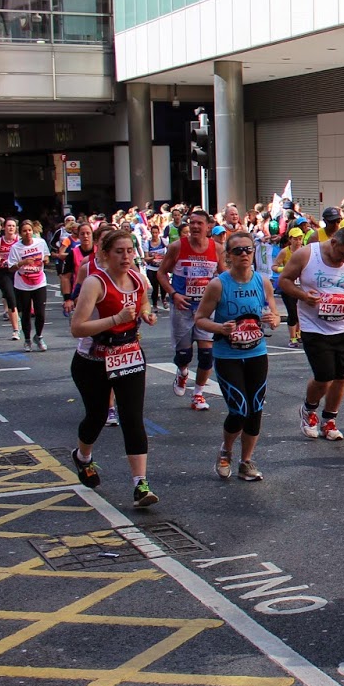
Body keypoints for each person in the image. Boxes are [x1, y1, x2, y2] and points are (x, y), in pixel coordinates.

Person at [68, 227, 159, 509]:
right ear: (105, 255)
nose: (126, 257)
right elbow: (77, 327)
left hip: (129, 354)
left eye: (130, 251)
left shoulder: (138, 279)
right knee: (96, 417)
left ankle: (140, 484)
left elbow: (143, 299)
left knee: (132, 417)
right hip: (93, 359)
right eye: (119, 252)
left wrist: (146, 313)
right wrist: (116, 318)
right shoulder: (96, 283)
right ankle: (83, 457)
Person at [195, 230, 279, 481]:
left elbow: (274, 314)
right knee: (239, 410)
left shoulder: (262, 282)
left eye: (248, 249)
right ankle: (226, 451)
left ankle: (247, 460)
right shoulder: (219, 284)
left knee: (256, 409)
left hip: (256, 352)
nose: (244, 254)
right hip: (227, 355)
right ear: (228, 256)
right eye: (238, 250)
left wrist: (273, 319)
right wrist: (220, 328)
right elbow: (199, 319)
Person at [280, 226, 344, 440]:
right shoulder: (308, 254)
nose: (343, 261)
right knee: (324, 377)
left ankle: (329, 420)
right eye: (341, 255)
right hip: (313, 327)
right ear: (334, 242)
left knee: (340, 377)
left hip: (343, 327)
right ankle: (309, 410)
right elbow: (284, 281)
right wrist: (302, 295)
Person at [158, 209, 224, 411]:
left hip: (205, 309)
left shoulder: (217, 248)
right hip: (183, 308)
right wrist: (173, 294)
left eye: (199, 223)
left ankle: (198, 394)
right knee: (184, 355)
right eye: (192, 223)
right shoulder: (177, 247)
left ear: (207, 227)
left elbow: (225, 276)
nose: (195, 226)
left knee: (206, 356)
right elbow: (161, 273)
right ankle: (183, 371)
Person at [9, 219, 51, 351]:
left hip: (39, 282)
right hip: (22, 284)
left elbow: (47, 258)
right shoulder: (16, 248)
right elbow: (11, 268)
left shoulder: (40, 243)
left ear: (33, 231)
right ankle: (27, 339)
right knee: (26, 313)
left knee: (40, 313)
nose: (27, 233)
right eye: (24, 231)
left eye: (29, 230)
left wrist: (44, 259)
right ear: (20, 233)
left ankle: (38, 336)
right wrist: (23, 263)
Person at [0, 218, 23, 341]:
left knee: (20, 300)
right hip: (4, 273)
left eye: (13, 226)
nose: (11, 228)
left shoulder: (20, 241)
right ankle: (15, 330)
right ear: (4, 228)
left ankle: (19, 318)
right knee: (10, 299)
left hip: (19, 272)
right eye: (8, 226)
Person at [274, 227, 305, 347]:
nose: (298, 242)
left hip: (301, 286)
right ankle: (292, 338)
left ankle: (299, 334)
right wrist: (284, 269)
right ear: (290, 239)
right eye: (295, 239)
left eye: (300, 239)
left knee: (301, 311)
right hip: (287, 286)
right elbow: (274, 266)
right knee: (292, 312)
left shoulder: (304, 250)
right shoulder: (284, 252)